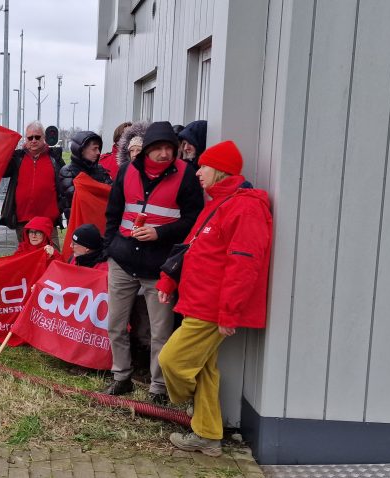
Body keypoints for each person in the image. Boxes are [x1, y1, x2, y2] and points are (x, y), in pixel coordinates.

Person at [156, 140, 272, 457]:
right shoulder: (218, 203)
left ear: (220, 170)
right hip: (198, 303)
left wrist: (229, 313)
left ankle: (189, 405)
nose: (197, 172)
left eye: (203, 166)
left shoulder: (245, 208)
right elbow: (190, 248)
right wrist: (169, 280)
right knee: (204, 370)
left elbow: (244, 265)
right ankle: (207, 436)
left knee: (172, 361)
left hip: (210, 309)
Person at [102, 121, 204, 403]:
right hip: (123, 261)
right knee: (116, 325)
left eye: (169, 148)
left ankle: (158, 387)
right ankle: (121, 377)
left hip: (160, 267)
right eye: (158, 148)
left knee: (160, 331)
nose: (164, 154)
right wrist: (110, 249)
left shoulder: (186, 175)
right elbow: (112, 213)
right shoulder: (127, 171)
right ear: (146, 149)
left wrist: (160, 233)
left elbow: (193, 220)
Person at [0, 121, 63, 242]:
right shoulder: (17, 157)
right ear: (26, 139)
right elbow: (1, 171)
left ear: (43, 138)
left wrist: (59, 209)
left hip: (48, 221)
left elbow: (64, 184)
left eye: (37, 137)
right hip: (23, 221)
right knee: (25, 253)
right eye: (30, 137)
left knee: (51, 253)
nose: (33, 140)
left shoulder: (54, 158)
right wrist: (7, 148)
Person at [58, 130, 112, 223]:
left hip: (100, 223)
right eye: (94, 149)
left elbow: (112, 193)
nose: (98, 152)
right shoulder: (67, 172)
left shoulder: (100, 170)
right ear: (82, 150)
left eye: (99, 148)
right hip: (78, 223)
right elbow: (75, 200)